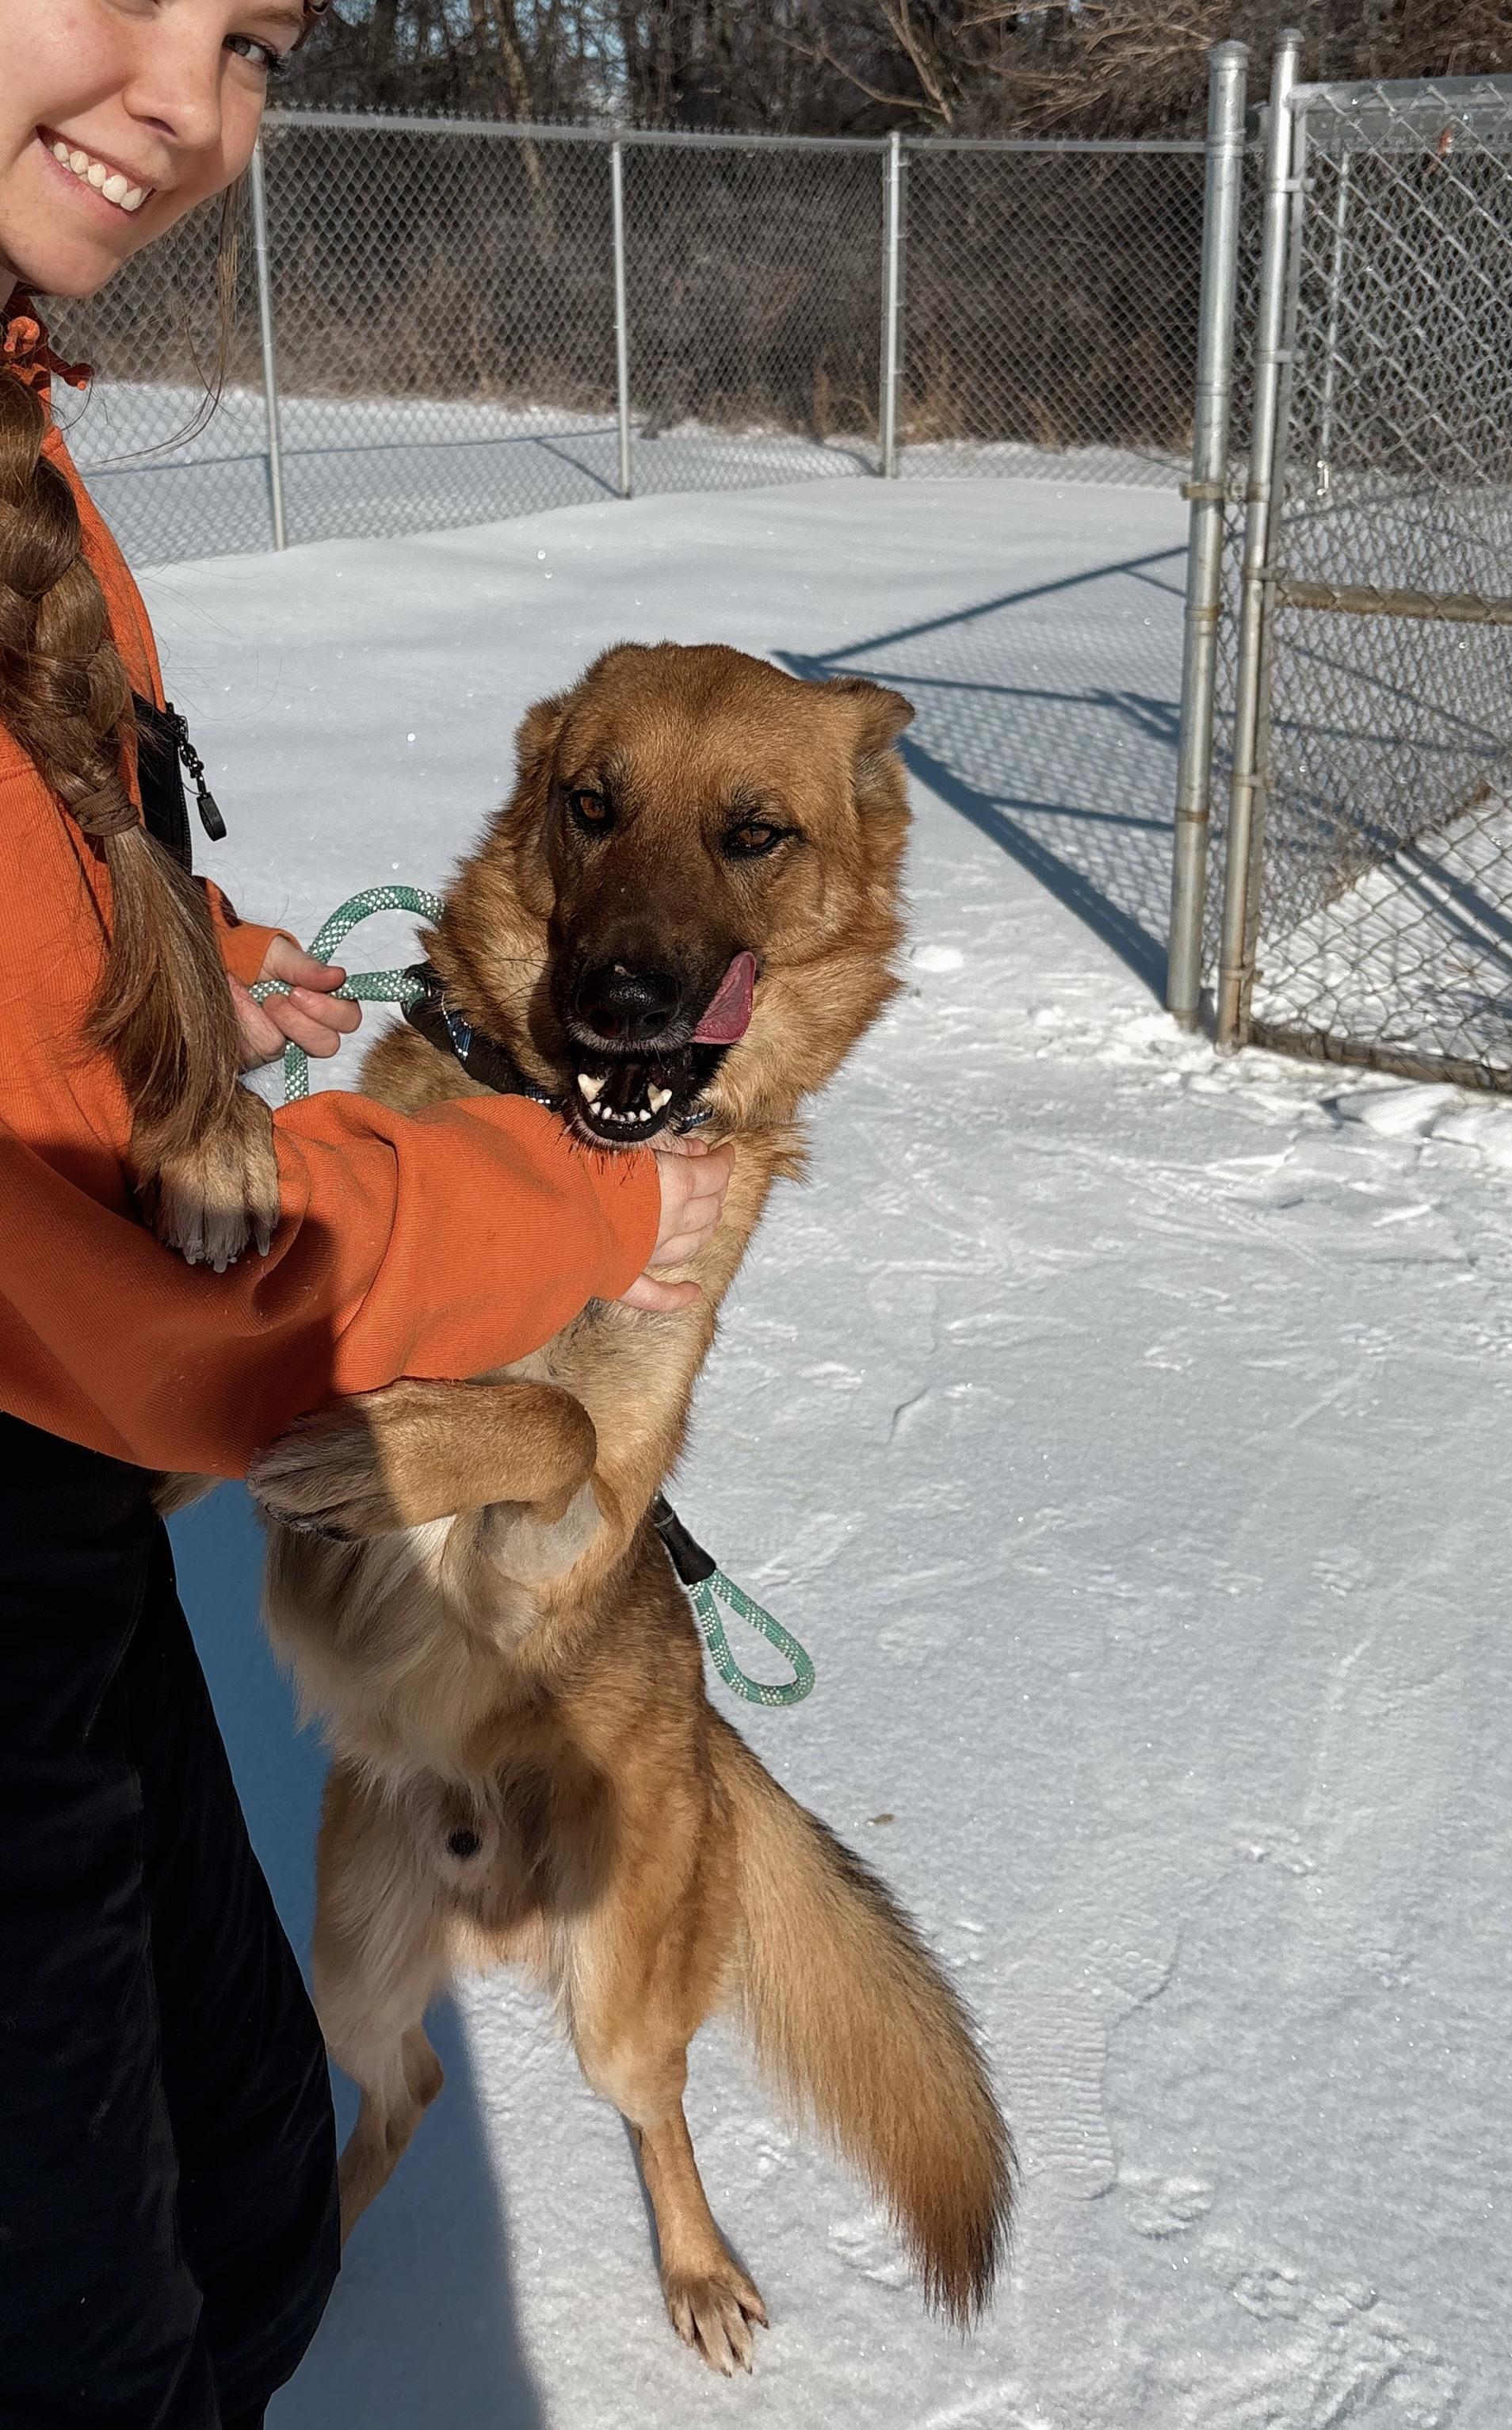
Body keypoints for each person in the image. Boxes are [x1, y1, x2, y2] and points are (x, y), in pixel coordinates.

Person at [0, 5, 735, 2422]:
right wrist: (581, 1206)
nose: (193, 106)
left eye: (256, 40)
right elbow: (118, 1288)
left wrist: (190, 962)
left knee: (243, 2205)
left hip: (76, 1543)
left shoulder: (23, 392)